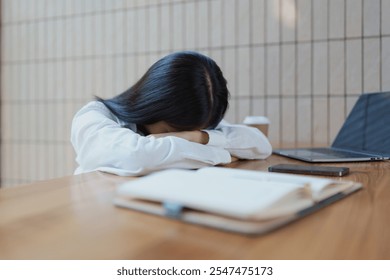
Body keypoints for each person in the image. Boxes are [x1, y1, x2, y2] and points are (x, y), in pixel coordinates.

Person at [71, 51, 272, 176]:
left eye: (193, 131)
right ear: (154, 104)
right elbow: (138, 155)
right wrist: (224, 155)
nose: (184, 136)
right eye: (172, 131)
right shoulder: (94, 116)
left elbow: (260, 144)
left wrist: (198, 137)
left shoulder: (195, 122)